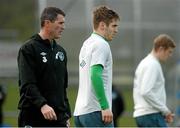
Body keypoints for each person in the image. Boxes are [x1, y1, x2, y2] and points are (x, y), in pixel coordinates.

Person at [17, 7, 71, 127]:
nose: (64, 27)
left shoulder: (61, 51)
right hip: (34, 117)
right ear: (47, 23)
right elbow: (27, 84)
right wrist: (42, 105)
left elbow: (62, 87)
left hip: (58, 119)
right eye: (60, 23)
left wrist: (66, 114)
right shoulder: (28, 49)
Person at [74, 5, 120, 127]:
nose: (116, 30)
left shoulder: (86, 44)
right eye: (114, 26)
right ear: (102, 25)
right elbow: (95, 75)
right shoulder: (101, 44)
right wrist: (104, 106)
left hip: (80, 113)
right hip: (96, 112)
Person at [133, 34, 176, 127]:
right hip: (150, 115)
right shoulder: (152, 65)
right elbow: (146, 91)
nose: (170, 55)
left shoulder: (145, 62)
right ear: (161, 49)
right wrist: (165, 110)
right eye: (169, 52)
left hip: (146, 115)